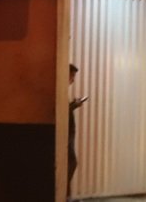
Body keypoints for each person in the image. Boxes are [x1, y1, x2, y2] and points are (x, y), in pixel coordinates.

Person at [68, 63, 87, 201]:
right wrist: (74, 105)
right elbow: (61, 111)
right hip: (66, 134)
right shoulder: (59, 90)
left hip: (69, 133)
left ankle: (66, 195)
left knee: (71, 163)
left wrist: (73, 105)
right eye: (72, 76)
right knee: (71, 163)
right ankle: (65, 196)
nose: (73, 80)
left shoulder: (63, 90)